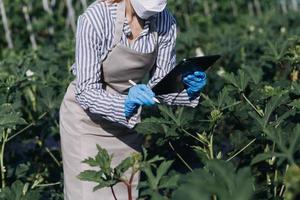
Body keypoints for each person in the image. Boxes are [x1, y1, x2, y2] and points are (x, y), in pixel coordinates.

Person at [59, 0, 207, 199]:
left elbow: (160, 86)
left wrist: (186, 88)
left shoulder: (165, 21)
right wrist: (124, 104)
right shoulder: (96, 18)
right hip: (85, 122)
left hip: (126, 126)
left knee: (125, 193)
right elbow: (85, 91)